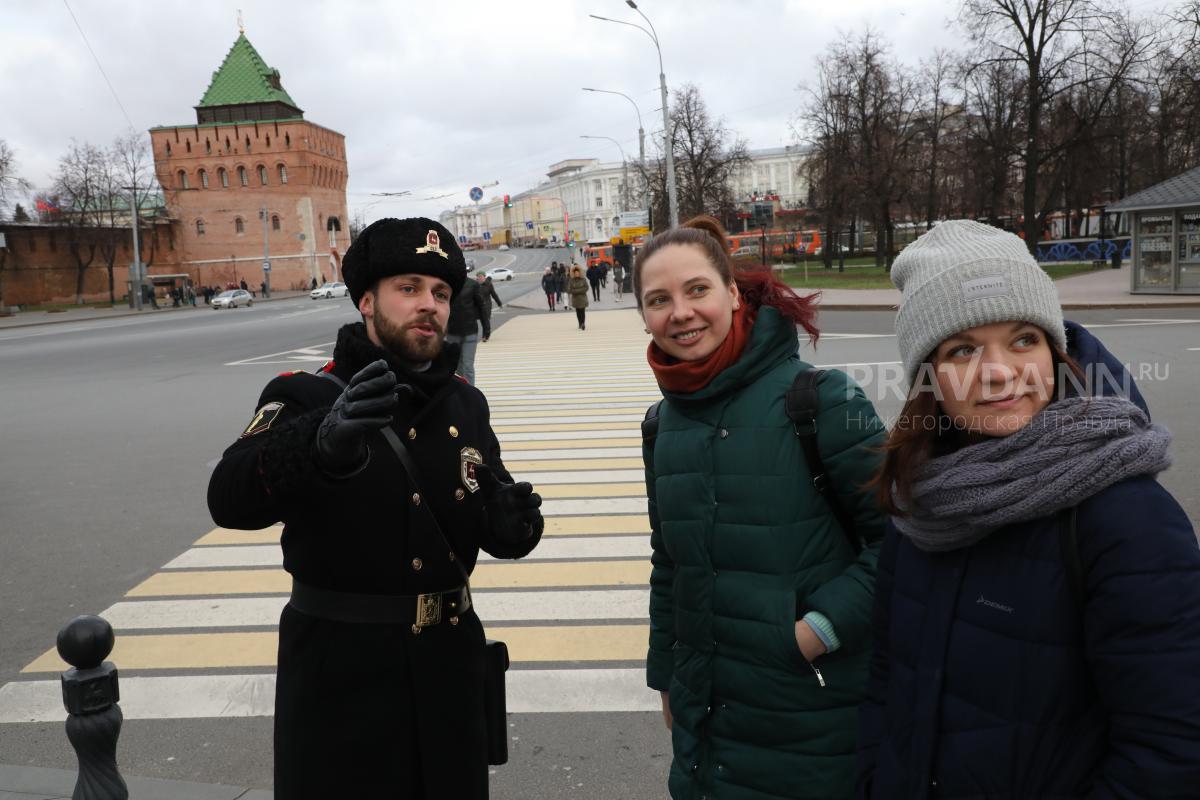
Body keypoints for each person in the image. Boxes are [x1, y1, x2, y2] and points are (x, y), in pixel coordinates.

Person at [856, 220, 1200, 798]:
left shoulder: (1128, 520)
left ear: (1055, 351)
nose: (998, 372)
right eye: (962, 349)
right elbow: (888, 681)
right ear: (930, 378)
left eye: (1023, 339)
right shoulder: (919, 504)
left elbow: (1173, 750)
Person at [207, 217, 544, 799]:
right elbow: (228, 496)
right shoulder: (306, 394)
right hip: (343, 678)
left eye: (440, 293)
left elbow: (485, 494)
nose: (429, 306)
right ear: (367, 300)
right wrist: (316, 444)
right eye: (409, 288)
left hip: (449, 670)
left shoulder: (465, 401)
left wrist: (510, 524)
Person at [637, 215, 886, 799]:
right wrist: (667, 677)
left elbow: (900, 539)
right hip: (705, 710)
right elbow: (668, 561)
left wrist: (814, 632)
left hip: (810, 709)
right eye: (658, 299)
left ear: (731, 292)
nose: (680, 312)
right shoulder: (660, 424)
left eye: (697, 289)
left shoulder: (820, 399)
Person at [444, 264, 490, 385]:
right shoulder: (447, 286)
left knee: (468, 365)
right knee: (456, 366)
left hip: (470, 331)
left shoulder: (473, 285)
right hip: (452, 332)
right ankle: (461, 393)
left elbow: (481, 307)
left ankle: (471, 396)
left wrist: (486, 329)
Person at [567, 265, 590, 331]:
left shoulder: (583, 279)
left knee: (582, 311)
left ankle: (583, 323)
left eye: (578, 272)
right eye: (575, 273)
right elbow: (569, 290)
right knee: (578, 312)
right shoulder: (571, 280)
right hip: (575, 299)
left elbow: (586, 288)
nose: (577, 274)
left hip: (582, 298)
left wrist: (577, 290)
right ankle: (579, 323)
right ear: (574, 273)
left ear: (580, 273)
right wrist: (578, 290)